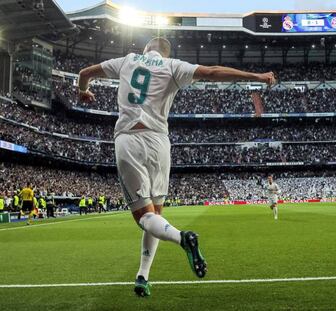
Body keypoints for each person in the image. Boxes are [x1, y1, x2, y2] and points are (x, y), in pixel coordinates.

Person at [77, 37, 276, 297]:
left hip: (128, 139)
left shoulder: (126, 60)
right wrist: (257, 76)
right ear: (165, 52)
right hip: (159, 143)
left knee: (145, 218)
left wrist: (83, 90)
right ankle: (142, 276)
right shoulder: (172, 65)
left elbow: (85, 73)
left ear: (146, 49)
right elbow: (212, 72)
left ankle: (183, 238)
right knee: (155, 215)